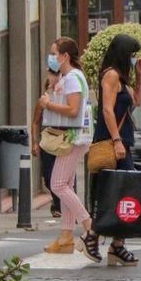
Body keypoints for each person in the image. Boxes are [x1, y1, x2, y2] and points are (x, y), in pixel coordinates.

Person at [38, 38, 99, 260]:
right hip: (76, 137)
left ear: (64, 56)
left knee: (58, 184)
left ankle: (89, 225)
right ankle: (66, 235)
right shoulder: (70, 77)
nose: (51, 57)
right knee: (68, 183)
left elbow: (73, 110)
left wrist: (48, 104)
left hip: (72, 137)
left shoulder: (73, 78)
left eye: (54, 53)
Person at [92, 33, 141, 267]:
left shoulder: (121, 77)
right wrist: (116, 140)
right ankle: (95, 236)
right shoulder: (111, 75)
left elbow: (137, 101)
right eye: (132, 54)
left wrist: (139, 76)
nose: (134, 58)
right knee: (116, 191)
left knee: (124, 191)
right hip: (112, 141)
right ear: (124, 53)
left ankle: (117, 244)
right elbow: (107, 110)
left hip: (123, 141)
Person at [31, 67, 65, 219]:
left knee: (65, 176)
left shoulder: (64, 100)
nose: (51, 91)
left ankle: (62, 206)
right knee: (49, 176)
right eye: (49, 88)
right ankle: (57, 203)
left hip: (64, 140)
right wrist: (34, 143)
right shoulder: (42, 102)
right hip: (48, 141)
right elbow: (35, 122)